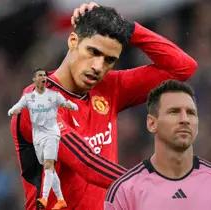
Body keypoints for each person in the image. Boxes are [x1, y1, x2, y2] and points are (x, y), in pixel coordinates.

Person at [10, 2, 198, 210]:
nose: (98, 67)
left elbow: (182, 68)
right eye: (93, 52)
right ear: (73, 41)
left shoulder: (109, 88)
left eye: (109, 60)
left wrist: (130, 29)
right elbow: (85, 161)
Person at [104, 80, 211, 210]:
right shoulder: (125, 190)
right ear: (152, 123)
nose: (185, 120)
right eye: (174, 112)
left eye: (191, 113)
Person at [8, 69, 78, 209]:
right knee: (49, 171)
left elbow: (65, 102)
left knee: (48, 167)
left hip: (51, 135)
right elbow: (19, 106)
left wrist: (73, 106)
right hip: (38, 138)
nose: (42, 80)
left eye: (44, 77)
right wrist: (12, 110)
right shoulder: (29, 97)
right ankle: (60, 199)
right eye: (39, 77)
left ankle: (45, 198)